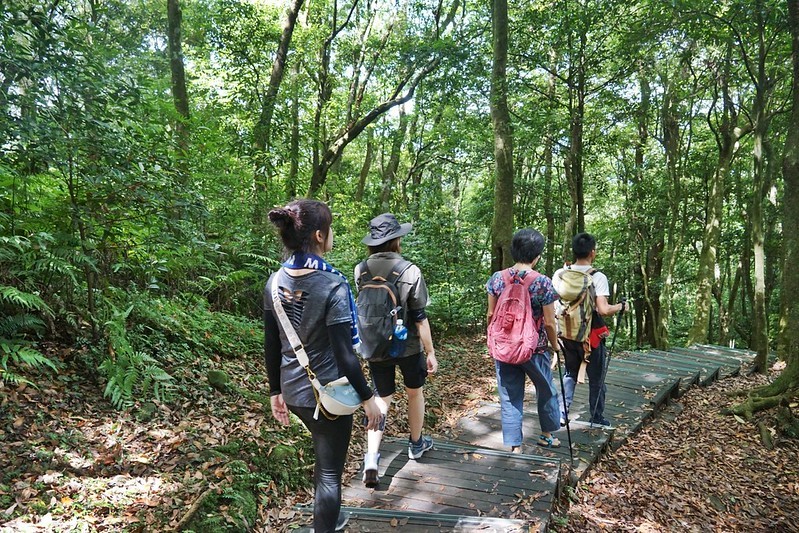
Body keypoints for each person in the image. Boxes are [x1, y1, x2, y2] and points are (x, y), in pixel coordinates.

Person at [264, 199, 381, 533]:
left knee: (323, 464)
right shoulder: (332, 285)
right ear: (319, 235)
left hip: (294, 391)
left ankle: (326, 519)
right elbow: (345, 353)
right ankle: (325, 525)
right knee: (330, 474)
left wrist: (275, 390)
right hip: (328, 394)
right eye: (330, 228)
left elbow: (272, 343)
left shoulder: (274, 282)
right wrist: (368, 397)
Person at [356, 213, 438, 488]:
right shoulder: (410, 270)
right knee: (414, 392)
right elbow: (420, 317)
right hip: (408, 346)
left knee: (381, 398)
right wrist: (430, 351)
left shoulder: (361, 270)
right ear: (396, 240)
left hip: (376, 344)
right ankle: (416, 444)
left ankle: (371, 457)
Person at [485, 228, 562, 452]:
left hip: (504, 347)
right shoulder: (543, 283)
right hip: (534, 349)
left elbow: (491, 314)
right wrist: (555, 346)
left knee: (509, 394)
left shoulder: (497, 279)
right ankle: (547, 436)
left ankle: (514, 445)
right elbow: (549, 322)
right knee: (546, 389)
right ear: (537, 255)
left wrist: (495, 339)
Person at [554, 232, 626, 428]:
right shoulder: (597, 277)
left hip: (567, 333)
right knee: (596, 377)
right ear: (592, 253)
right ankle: (596, 416)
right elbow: (602, 309)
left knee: (569, 372)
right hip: (591, 335)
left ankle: (562, 413)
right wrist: (620, 307)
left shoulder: (560, 274)